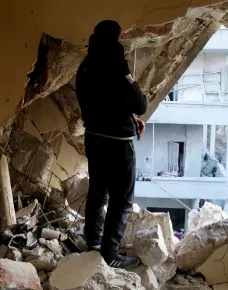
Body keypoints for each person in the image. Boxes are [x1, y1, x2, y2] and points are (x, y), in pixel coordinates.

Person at [76, 20, 147, 269]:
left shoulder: (85, 66)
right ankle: (110, 254)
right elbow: (140, 104)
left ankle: (93, 244)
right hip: (118, 145)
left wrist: (127, 118)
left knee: (97, 193)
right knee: (121, 201)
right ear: (116, 38)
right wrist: (132, 114)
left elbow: (100, 103)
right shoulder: (117, 64)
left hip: (94, 139)